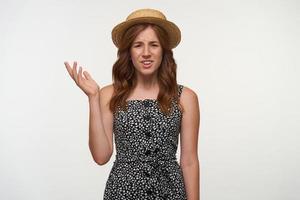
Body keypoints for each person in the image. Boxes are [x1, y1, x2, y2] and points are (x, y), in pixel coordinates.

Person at [64, 8, 200, 200]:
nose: (146, 53)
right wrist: (93, 98)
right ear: (128, 52)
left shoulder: (185, 97)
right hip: (122, 193)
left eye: (154, 45)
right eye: (138, 45)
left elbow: (189, 161)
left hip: (170, 192)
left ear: (164, 51)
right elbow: (101, 156)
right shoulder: (109, 94)